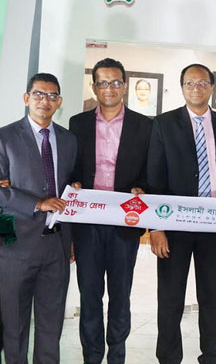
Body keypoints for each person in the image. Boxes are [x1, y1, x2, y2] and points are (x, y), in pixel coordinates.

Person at [147, 63, 216, 364]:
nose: (196, 88)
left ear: (212, 87)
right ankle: (168, 358)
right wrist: (156, 228)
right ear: (182, 88)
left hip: (215, 225)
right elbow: (154, 178)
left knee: (211, 297)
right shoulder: (163, 124)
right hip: (174, 226)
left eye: (202, 83)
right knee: (170, 297)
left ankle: (209, 356)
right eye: (189, 83)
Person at [69, 58, 153, 364]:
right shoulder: (77, 124)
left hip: (124, 222)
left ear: (124, 86)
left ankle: (117, 356)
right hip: (88, 223)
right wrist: (74, 182)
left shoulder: (145, 125)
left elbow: (150, 171)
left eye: (115, 82)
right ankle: (92, 357)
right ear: (94, 87)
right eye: (102, 82)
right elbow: (70, 167)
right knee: (89, 296)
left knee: (120, 297)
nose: (109, 88)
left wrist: (142, 188)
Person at [0, 73, 77, 364]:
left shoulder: (68, 140)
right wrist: (37, 203)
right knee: (14, 324)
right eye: (39, 94)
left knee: (51, 325)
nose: (45, 100)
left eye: (52, 95)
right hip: (14, 245)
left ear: (59, 101)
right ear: (26, 98)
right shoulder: (4, 137)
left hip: (56, 246)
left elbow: (70, 183)